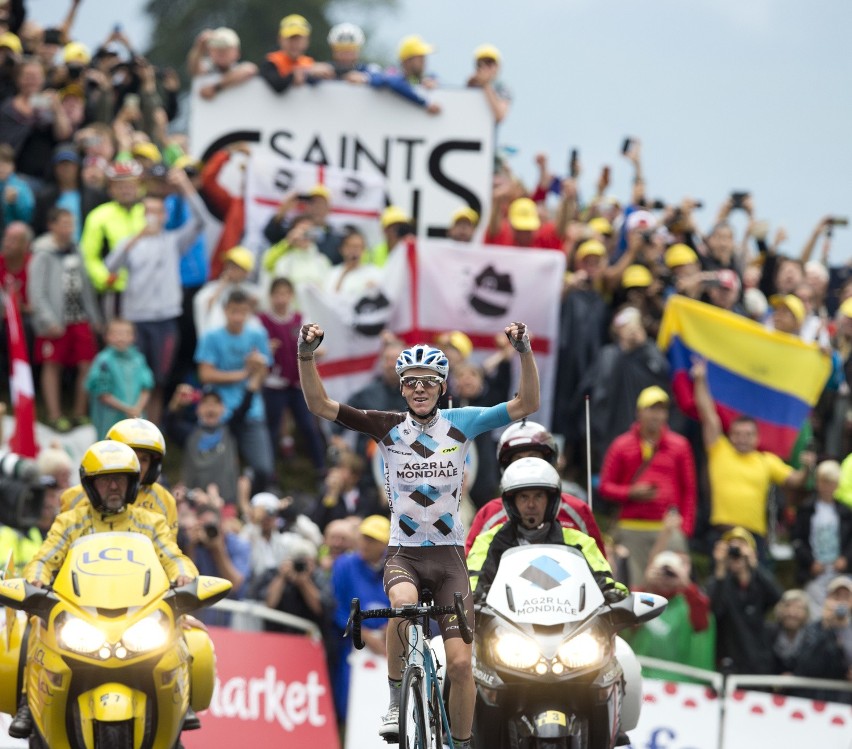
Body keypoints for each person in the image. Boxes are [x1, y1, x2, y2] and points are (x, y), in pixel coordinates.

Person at [298, 320, 540, 749]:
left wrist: (523, 351)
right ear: (402, 389)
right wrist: (306, 355)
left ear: (442, 387)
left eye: (429, 383)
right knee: (403, 608)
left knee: (462, 665)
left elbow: (527, 403)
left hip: (449, 559)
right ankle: (396, 700)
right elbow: (319, 405)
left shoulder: (462, 422)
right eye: (412, 384)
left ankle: (462, 742)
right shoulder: (387, 425)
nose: (420, 390)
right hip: (404, 554)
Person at [9, 441, 197, 739]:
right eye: (105, 479)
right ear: (90, 484)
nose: (113, 486)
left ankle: (185, 700)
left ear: (132, 484)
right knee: (34, 626)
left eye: (120, 479)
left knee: (181, 628)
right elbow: (43, 559)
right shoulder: (71, 521)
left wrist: (186, 576)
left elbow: (173, 556)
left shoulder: (150, 522)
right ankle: (24, 701)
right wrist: (35, 580)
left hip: (138, 616)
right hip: (80, 614)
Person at [103, 167, 205, 424]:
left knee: (159, 381)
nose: (153, 217)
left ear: (164, 214)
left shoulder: (173, 241)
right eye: (148, 212)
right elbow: (110, 266)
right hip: (136, 320)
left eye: (157, 212)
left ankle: (154, 430)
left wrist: (185, 188)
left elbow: (201, 221)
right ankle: (129, 427)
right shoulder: (131, 241)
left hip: (165, 320)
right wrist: (137, 237)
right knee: (134, 380)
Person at [691, 358, 815, 560]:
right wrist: (700, 378)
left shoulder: (766, 460)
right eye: (737, 434)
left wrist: (808, 468)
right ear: (730, 435)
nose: (742, 439)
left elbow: (797, 480)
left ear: (757, 438)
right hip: (722, 533)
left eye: (748, 435)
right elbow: (707, 413)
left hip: (754, 538)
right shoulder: (719, 449)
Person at [467, 458, 622, 598]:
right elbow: (473, 577)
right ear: (511, 502)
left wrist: (612, 592)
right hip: (504, 624)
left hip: (570, 621)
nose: (531, 505)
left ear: (551, 501)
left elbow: (603, 577)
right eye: (524, 497)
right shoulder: (488, 540)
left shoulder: (579, 540)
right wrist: (474, 596)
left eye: (538, 496)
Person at [599, 386, 697, 585]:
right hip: (630, 529)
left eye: (661, 410)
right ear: (639, 412)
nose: (657, 415)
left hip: (667, 528)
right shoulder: (621, 445)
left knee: (669, 587)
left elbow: (689, 491)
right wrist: (631, 492)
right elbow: (605, 486)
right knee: (633, 588)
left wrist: (684, 529)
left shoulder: (680, 445)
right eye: (651, 409)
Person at [466, 419, 604, 554]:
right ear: (506, 466)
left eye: (534, 456)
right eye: (518, 459)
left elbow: (599, 566)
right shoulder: (489, 514)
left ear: (549, 461)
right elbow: (470, 568)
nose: (527, 464)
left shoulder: (577, 510)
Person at [28, 206, 102, 432]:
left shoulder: (76, 249)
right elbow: (36, 291)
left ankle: (80, 412)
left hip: (79, 317)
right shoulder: (42, 252)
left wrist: (95, 317)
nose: (69, 229)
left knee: (86, 363)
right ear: (52, 225)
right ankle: (54, 413)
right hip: (55, 321)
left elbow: (86, 286)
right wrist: (48, 320)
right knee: (53, 365)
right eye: (64, 224)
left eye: (71, 224)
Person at [195, 288, 273, 489]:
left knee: (264, 468)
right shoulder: (211, 337)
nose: (238, 317)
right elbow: (205, 374)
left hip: (252, 410)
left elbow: (264, 373)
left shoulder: (258, 335)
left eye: (242, 312)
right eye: (233, 311)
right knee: (218, 469)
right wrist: (244, 373)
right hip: (220, 412)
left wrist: (257, 367)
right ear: (225, 310)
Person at [60, 418, 178, 542]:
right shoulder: (73, 497)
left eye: (144, 459)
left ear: (154, 466)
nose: (137, 465)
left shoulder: (165, 500)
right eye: (131, 457)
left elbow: (168, 550)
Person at [330, 515, 391, 724]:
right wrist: (362, 633)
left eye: (373, 539)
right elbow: (337, 607)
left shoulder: (394, 568)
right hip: (352, 642)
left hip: (387, 642)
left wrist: (392, 627)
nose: (366, 544)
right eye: (364, 538)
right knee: (348, 694)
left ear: (384, 544)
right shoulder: (344, 565)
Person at [706, 526, 783, 674]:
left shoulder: (760, 582)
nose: (736, 553)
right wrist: (720, 569)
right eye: (732, 548)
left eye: (741, 547)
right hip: (730, 664)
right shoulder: (719, 582)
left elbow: (777, 596)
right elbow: (714, 610)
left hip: (759, 663)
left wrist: (754, 565)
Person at [791, 459, 852, 615]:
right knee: (815, 615)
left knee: (843, 614)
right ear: (817, 483)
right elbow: (797, 540)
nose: (827, 487)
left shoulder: (845, 512)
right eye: (824, 482)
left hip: (840, 573)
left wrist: (845, 558)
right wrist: (810, 562)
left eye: (831, 482)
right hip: (815, 573)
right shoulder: (806, 509)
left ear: (837, 484)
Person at [85, 318, 154, 439]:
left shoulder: (138, 359)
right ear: (106, 336)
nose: (121, 338)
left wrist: (138, 408)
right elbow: (103, 393)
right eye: (115, 333)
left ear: (133, 337)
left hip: (136, 416)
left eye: (126, 333)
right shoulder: (103, 361)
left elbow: (146, 387)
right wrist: (128, 409)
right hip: (110, 418)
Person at [259, 14, 333, 94]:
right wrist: (295, 75)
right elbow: (277, 85)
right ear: (280, 39)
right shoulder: (272, 62)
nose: (294, 44)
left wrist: (327, 74)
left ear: (307, 41)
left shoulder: (309, 63)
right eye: (290, 39)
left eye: (298, 39)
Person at [466, 44, 511, 124]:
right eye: (480, 64)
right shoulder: (472, 84)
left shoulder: (502, 87)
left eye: (489, 63)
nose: (485, 67)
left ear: (497, 66)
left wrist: (485, 85)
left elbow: (499, 116)